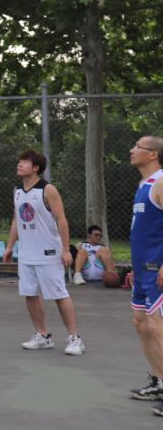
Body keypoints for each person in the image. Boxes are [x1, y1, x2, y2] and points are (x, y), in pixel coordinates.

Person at [4, 149, 84, 355]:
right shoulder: (17, 190)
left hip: (49, 252)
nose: (20, 164)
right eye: (19, 161)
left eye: (25, 162)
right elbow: (17, 219)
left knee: (59, 294)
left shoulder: (48, 190)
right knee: (30, 294)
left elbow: (61, 220)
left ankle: (75, 338)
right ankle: (42, 336)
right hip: (26, 253)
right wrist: (10, 246)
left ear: (36, 167)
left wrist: (66, 250)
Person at [126, 135, 163, 413]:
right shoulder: (144, 185)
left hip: (157, 268)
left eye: (138, 146)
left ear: (153, 154)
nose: (132, 150)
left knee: (156, 325)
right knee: (141, 322)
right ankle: (159, 380)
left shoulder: (161, 182)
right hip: (142, 269)